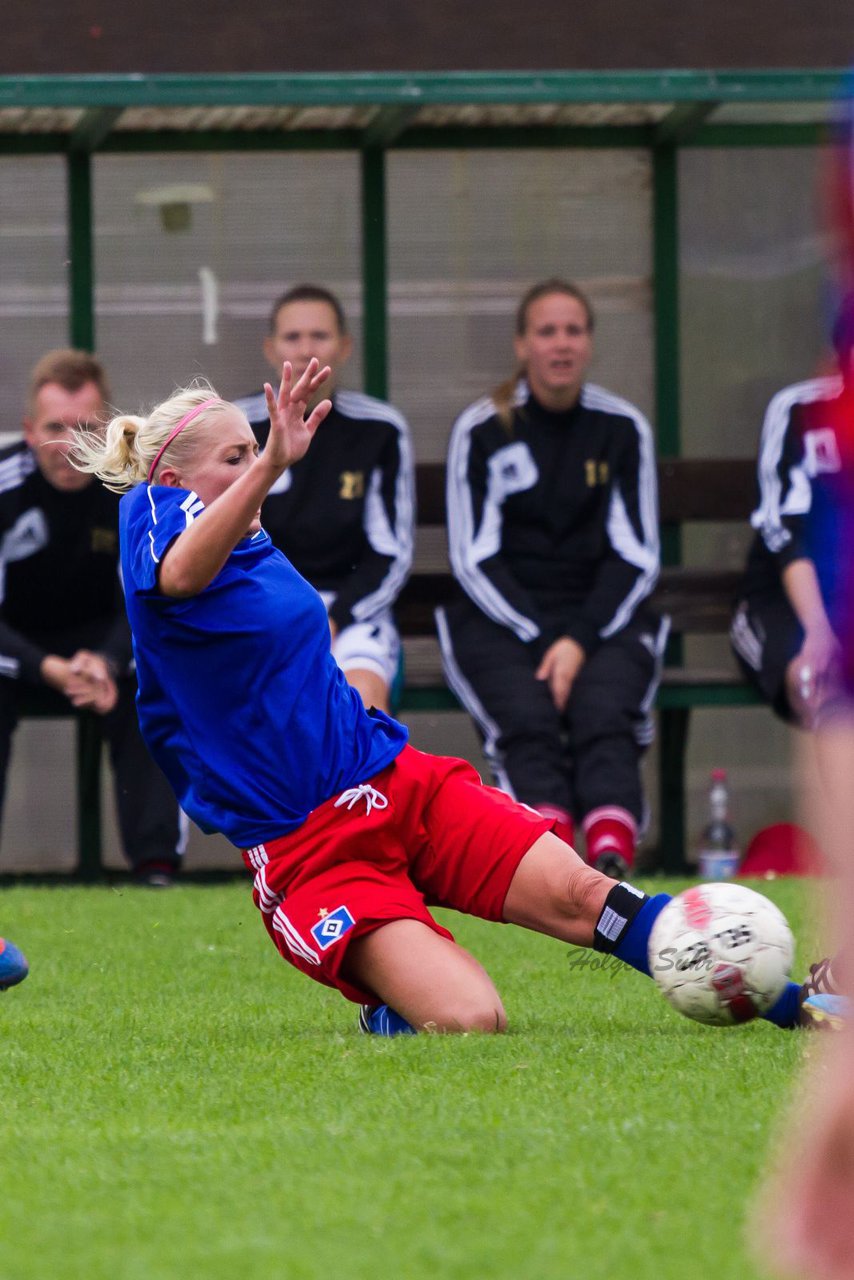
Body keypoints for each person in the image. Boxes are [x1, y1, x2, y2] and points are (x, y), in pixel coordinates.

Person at [69, 359, 810, 1036]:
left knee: (589, 897)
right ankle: (394, 1000)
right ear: (174, 479)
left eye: (254, 451)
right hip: (311, 852)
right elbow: (179, 579)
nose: (260, 466)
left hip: (394, 784)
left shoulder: (251, 540)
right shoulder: (153, 517)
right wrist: (266, 466)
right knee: (473, 1019)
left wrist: (786, 1005)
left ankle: (790, 999)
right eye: (235, 456)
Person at [437, 279, 666, 879]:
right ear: (522, 345)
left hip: (601, 615)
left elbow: (636, 555)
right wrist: (546, 642)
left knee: (605, 708)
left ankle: (611, 855)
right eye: (546, 332)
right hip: (503, 619)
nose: (560, 345)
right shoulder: (483, 429)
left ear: (589, 343)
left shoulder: (621, 429)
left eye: (573, 331)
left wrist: (578, 641)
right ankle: (550, 860)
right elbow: (474, 557)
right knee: (528, 717)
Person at [0, 349, 183, 885]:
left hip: (102, 649)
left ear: (107, 431)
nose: (68, 443)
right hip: (15, 651)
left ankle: (156, 867)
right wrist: (47, 667)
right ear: (30, 431)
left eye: (84, 427)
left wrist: (105, 659)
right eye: (55, 427)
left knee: (151, 679)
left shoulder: (132, 491)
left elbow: (150, 597)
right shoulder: (4, 488)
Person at [233, 284, 414, 714]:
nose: (306, 349)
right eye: (293, 337)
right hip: (263, 607)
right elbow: (220, 540)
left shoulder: (380, 429)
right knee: (249, 710)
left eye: (320, 336)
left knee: (360, 705)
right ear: (270, 348)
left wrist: (334, 617)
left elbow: (390, 553)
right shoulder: (235, 425)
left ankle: (366, 783)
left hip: (349, 615)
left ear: (345, 347)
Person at [730, 300, 854, 728]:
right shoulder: (799, 409)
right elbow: (783, 530)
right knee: (818, 684)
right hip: (788, 599)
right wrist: (818, 631)